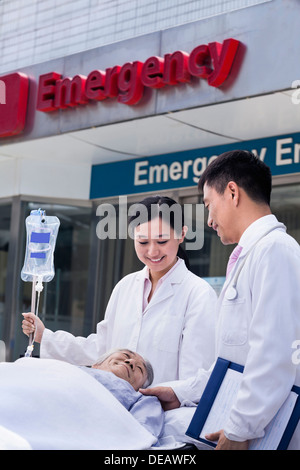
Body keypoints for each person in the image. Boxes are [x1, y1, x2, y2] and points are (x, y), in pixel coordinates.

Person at [142, 150, 300, 450]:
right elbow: (234, 361)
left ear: (232, 192)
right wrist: (181, 393)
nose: (210, 219)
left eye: (208, 205)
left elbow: (274, 354)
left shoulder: (276, 250)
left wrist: (240, 430)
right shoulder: (250, 254)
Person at [22, 195, 217, 394]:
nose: (152, 251)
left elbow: (195, 378)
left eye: (162, 241)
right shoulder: (126, 287)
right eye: (142, 242)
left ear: (181, 234)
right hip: (114, 406)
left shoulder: (198, 295)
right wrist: (45, 336)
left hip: (162, 416)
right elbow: (103, 349)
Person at [80, 348, 164, 438]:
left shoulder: (144, 400)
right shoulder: (73, 369)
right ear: (96, 365)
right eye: (125, 355)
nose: (131, 362)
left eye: (140, 369)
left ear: (140, 388)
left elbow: (142, 436)